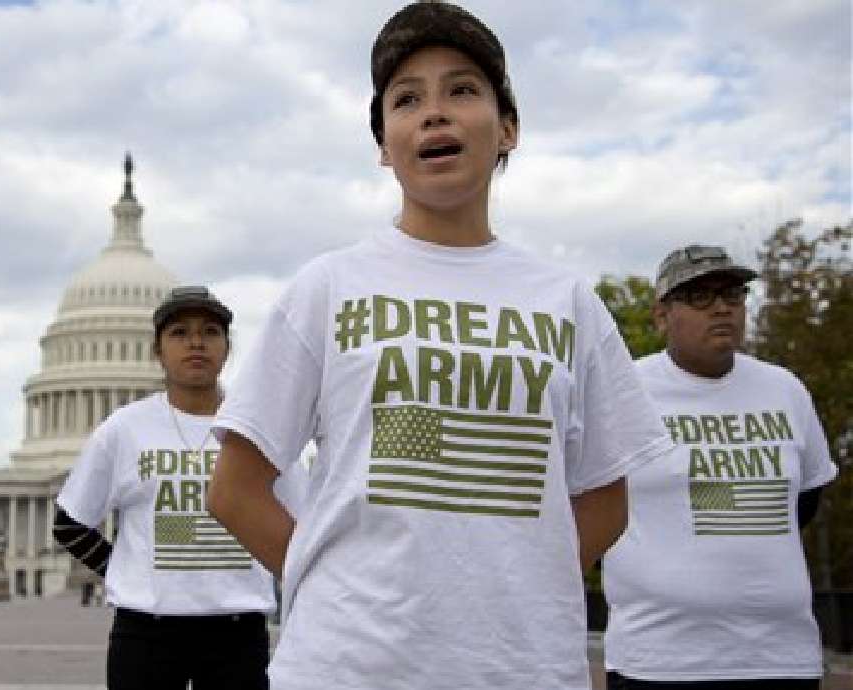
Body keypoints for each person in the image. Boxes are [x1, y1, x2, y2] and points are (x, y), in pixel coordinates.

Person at [205, 3, 673, 688]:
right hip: (346, 668)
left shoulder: (569, 302)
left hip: (523, 668)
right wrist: (335, 586)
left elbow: (606, 498)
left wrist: (507, 589)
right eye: (406, 99)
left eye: (462, 90)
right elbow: (235, 490)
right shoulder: (327, 287)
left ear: (507, 129)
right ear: (384, 143)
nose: (434, 112)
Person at [601, 245, 837, 690]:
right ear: (661, 316)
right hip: (659, 660)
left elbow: (802, 503)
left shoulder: (784, 389)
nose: (721, 308)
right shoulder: (623, 392)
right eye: (699, 297)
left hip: (781, 658)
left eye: (732, 294)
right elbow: (587, 502)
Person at [55, 285, 300, 690]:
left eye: (209, 331)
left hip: (237, 630)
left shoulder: (261, 427)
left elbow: (301, 525)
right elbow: (69, 525)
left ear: (227, 348)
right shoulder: (123, 429)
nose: (196, 343)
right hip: (146, 632)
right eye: (179, 333)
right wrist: (125, 569)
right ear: (157, 351)